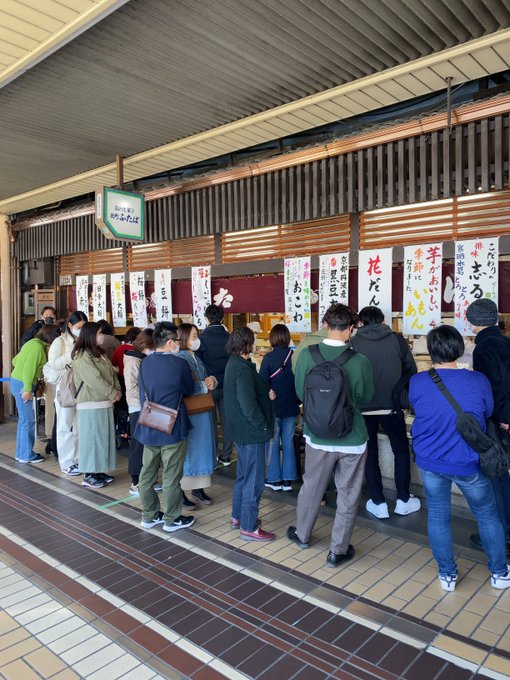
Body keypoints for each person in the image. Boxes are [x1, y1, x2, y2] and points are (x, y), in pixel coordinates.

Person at [409, 324, 510, 591]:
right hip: (468, 462)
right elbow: (487, 411)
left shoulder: (418, 381)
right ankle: (499, 573)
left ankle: (447, 575)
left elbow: (417, 407)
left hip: (430, 461)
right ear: (460, 349)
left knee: (438, 516)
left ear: (431, 351)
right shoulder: (478, 380)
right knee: (488, 516)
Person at [288, 303, 374, 567]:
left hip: (317, 435)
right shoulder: (359, 361)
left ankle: (302, 534)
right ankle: (337, 551)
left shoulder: (306, 356)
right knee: (348, 494)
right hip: (352, 438)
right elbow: (366, 397)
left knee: (312, 485)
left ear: (325, 325)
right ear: (350, 329)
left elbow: (301, 393)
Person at [350, 306, 420, 519]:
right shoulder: (397, 340)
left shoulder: (353, 343)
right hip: (392, 407)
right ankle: (403, 499)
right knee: (400, 450)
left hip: (363, 408)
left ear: (361, 322)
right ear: (382, 320)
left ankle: (378, 501)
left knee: (370, 453)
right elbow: (412, 370)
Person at [134, 322, 195, 533]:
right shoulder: (179, 364)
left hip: (149, 424)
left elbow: (143, 393)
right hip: (172, 426)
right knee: (171, 476)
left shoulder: (145, 363)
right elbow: (189, 389)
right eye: (177, 341)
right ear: (170, 342)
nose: (178, 344)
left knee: (147, 474)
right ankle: (171, 518)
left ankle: (149, 515)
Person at [465, 298, 510, 554]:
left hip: (498, 422)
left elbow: (493, 388)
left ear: (472, 320)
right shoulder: (504, 341)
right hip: (506, 418)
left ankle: (498, 534)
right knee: (503, 475)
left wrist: (499, 418)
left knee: (494, 477)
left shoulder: (484, 348)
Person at [223, 326, 276, 541]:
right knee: (254, 481)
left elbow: (248, 394)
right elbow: (247, 403)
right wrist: (262, 425)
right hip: (251, 431)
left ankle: (238, 516)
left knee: (243, 476)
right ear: (247, 344)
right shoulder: (243, 368)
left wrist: (266, 392)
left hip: (239, 430)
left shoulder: (234, 364)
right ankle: (249, 526)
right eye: (252, 341)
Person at [72, 322, 121, 489]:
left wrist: (116, 390)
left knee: (102, 438)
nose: (102, 336)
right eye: (100, 333)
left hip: (103, 402)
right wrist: (112, 392)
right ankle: (88, 474)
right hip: (91, 403)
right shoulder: (82, 355)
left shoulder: (98, 353)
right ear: (91, 335)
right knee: (91, 439)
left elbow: (110, 373)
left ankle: (98, 470)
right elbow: (94, 379)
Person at [177, 323, 218, 508]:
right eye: (194, 336)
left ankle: (199, 488)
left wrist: (212, 380)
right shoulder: (181, 358)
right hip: (192, 413)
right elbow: (183, 386)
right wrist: (203, 385)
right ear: (184, 338)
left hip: (202, 411)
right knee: (191, 452)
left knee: (201, 449)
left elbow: (207, 376)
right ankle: (183, 491)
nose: (197, 339)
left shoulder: (195, 357)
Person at [45, 311, 88, 475]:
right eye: (78, 327)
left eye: (84, 327)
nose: (81, 330)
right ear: (70, 326)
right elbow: (54, 364)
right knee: (64, 426)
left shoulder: (84, 340)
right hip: (65, 389)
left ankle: (77, 459)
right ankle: (66, 462)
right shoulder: (60, 342)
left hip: (82, 388)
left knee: (79, 427)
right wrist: (71, 356)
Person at [11, 324, 60, 464]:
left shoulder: (31, 343)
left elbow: (15, 361)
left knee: (24, 420)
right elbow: (28, 370)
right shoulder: (37, 348)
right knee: (28, 420)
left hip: (17, 381)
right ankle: (26, 455)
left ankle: (21, 453)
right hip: (23, 385)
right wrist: (27, 389)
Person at [259, 324, 300, 491]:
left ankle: (274, 479)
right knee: (289, 442)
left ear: (272, 338)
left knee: (273, 442)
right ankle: (288, 480)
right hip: (291, 407)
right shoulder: (295, 356)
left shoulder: (268, 359)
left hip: (274, 408)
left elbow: (262, 385)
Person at [196, 304, 233, 466]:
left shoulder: (201, 339)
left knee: (210, 425)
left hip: (209, 386)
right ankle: (226, 455)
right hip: (227, 384)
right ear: (222, 318)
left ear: (206, 318)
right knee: (227, 422)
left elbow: (198, 364)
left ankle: (211, 456)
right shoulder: (229, 337)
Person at [124, 329, 155, 496]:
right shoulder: (133, 360)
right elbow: (132, 388)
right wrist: (148, 397)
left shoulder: (143, 358)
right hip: (137, 406)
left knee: (147, 444)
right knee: (138, 445)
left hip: (146, 405)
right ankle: (135, 482)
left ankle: (147, 478)